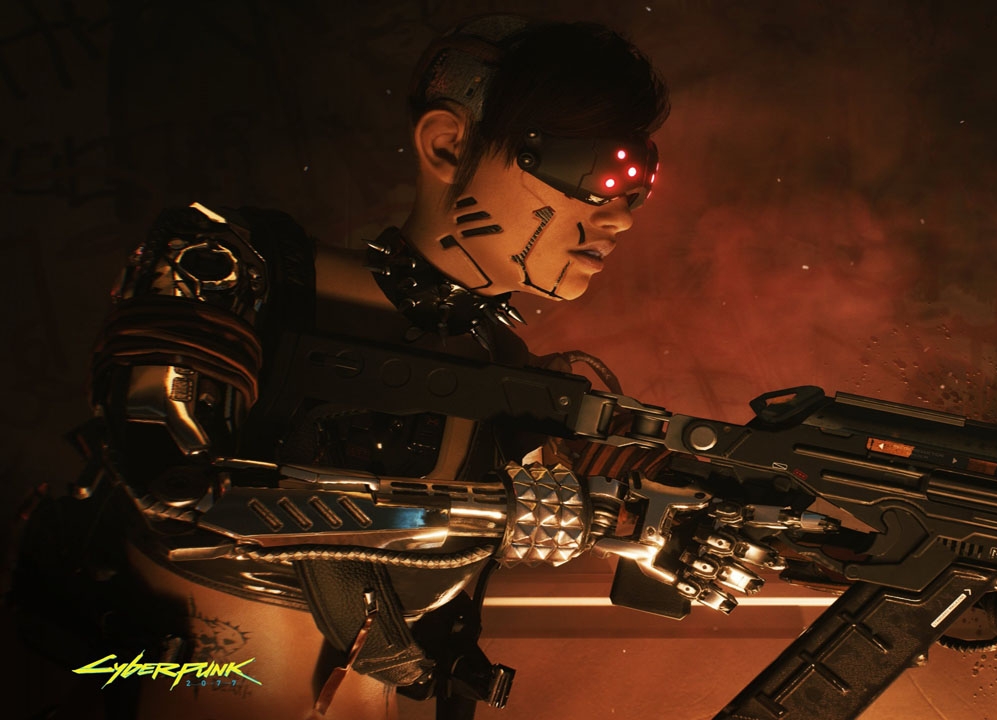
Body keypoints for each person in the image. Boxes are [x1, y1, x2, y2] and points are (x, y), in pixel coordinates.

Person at [14, 15, 672, 720]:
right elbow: (167, 477)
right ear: (449, 145)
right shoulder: (241, 271)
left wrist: (660, 517)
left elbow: (632, 492)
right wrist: (495, 514)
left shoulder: (513, 379)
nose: (620, 214)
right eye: (596, 172)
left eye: (639, 183)